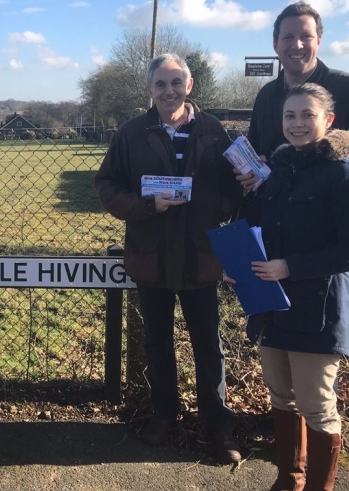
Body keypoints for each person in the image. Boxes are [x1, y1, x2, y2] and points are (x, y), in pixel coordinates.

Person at [94, 54, 243, 463]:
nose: (168, 91)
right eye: (160, 84)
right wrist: (143, 206)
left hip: (201, 256)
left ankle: (218, 423)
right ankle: (165, 415)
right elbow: (106, 183)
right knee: (157, 342)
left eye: (176, 83)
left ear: (189, 86)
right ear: (150, 89)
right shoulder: (131, 133)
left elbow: (238, 184)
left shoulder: (214, 131)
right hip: (151, 257)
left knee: (208, 345)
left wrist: (219, 209)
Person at [241, 83, 349, 490]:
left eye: (307, 115)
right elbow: (266, 229)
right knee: (280, 396)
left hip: (317, 311)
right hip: (271, 303)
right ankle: (289, 479)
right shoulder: (280, 168)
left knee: (317, 407)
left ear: (328, 120)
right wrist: (242, 265)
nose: (297, 124)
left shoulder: (344, 174)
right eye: (289, 116)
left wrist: (289, 267)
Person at [242, 0, 349, 196]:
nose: (297, 45)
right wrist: (251, 169)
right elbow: (256, 150)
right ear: (275, 45)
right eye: (288, 37)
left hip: (325, 223)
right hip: (270, 215)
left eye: (306, 36)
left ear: (319, 41)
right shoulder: (266, 95)